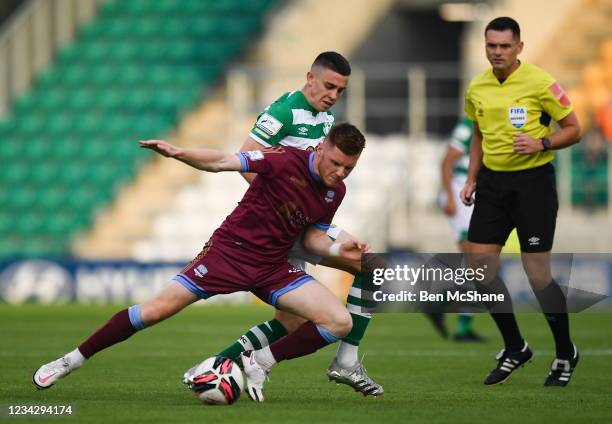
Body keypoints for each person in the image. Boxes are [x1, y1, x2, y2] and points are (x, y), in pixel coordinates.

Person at [33, 123, 367, 403]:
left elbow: (313, 239)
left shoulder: (335, 192)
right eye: (336, 163)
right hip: (228, 254)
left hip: (272, 267)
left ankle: (259, 363)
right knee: (153, 311)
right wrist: (179, 153)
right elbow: (222, 160)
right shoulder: (282, 160)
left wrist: (341, 249)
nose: (339, 172)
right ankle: (70, 360)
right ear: (322, 148)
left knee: (339, 322)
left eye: (348, 168)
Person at [210, 51, 383, 396]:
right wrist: (285, 210)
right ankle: (218, 366)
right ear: (310, 78)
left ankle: (345, 360)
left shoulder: (326, 119)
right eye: (329, 86)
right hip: (284, 226)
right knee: (296, 319)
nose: (333, 95)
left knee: (368, 268)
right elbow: (247, 158)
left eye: (340, 90)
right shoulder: (284, 111)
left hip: (307, 225)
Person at [460, 17, 582, 386]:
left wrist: (541, 142)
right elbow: (478, 135)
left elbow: (575, 128)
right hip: (493, 185)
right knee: (479, 269)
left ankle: (565, 353)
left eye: (504, 46)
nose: (496, 52)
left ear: (519, 47)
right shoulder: (477, 87)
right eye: (491, 45)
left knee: (537, 275)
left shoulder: (540, 82)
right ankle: (516, 347)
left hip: (533, 184)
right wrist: (471, 178)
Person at [432, 117, 485, 342]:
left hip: (478, 193)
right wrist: (449, 198)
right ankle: (461, 325)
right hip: (461, 192)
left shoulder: (500, 123)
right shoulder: (468, 126)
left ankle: (440, 305)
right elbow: (446, 162)